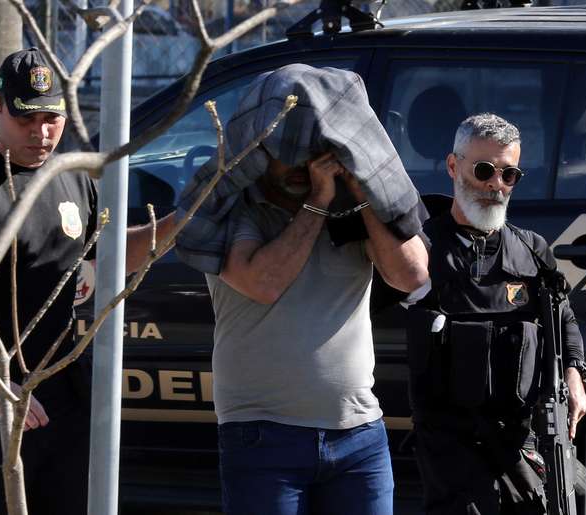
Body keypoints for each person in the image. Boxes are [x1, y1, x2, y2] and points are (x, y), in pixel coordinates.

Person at [176, 64, 430, 515]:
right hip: (263, 437)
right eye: (285, 153)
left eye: (315, 152)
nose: (299, 165)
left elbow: (411, 275)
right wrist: (318, 202)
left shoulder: (354, 210)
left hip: (358, 436)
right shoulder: (237, 212)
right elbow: (263, 283)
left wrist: (360, 187)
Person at [0, 47, 173, 515]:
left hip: (61, 399)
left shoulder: (73, 178)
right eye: (26, 119)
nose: (41, 133)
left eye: (51, 118)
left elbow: (110, 255)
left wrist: (180, 222)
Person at [405, 113, 586, 515]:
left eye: (510, 175)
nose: (496, 185)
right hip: (450, 442)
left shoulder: (532, 250)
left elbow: (563, 316)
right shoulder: (420, 249)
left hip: (519, 436)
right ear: (453, 167)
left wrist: (576, 373)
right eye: (485, 170)